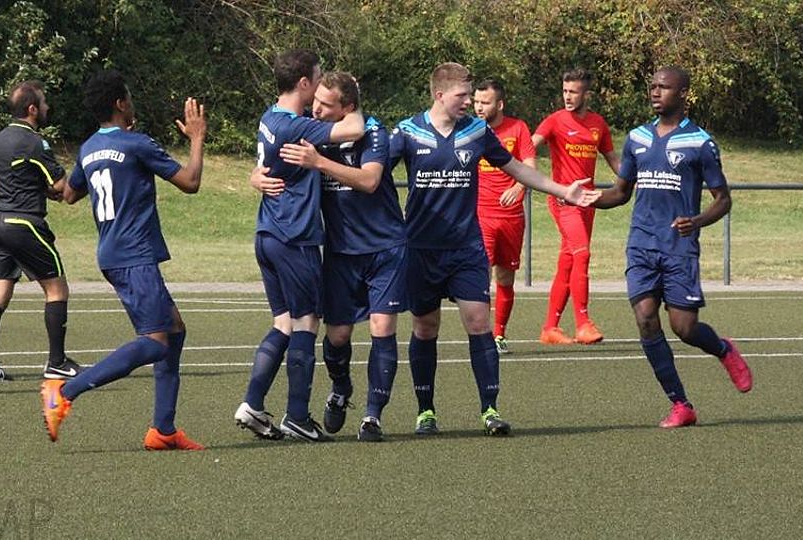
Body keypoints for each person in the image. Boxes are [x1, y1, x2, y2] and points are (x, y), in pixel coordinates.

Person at [391, 62, 600, 436]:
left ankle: (490, 409)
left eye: (471, 95)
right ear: (440, 94)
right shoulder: (407, 131)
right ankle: (426, 411)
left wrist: (562, 190)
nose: (469, 102)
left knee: (479, 322)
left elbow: (517, 168)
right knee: (425, 326)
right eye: (462, 95)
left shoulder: (476, 131)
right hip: (422, 249)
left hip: (466, 247)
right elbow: (374, 174)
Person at [40, 69, 206, 450]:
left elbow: (69, 194)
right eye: (128, 97)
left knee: (174, 332)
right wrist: (197, 138)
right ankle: (63, 391)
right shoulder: (137, 144)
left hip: (113, 253)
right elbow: (191, 182)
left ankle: (163, 431)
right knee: (155, 342)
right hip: (134, 255)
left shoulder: (88, 148)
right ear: (120, 104)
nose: (132, 102)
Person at [591, 66, 752, 428]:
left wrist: (696, 221)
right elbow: (621, 192)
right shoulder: (637, 138)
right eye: (652, 86)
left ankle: (723, 348)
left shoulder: (700, 142)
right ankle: (681, 404)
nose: (655, 92)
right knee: (646, 319)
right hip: (641, 245)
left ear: (682, 94)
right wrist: (586, 199)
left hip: (679, 248)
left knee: (684, 327)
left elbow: (723, 200)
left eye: (663, 87)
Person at [257, 71, 406, 442]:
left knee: (382, 326)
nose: (317, 109)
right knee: (337, 336)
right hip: (340, 251)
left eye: (326, 104)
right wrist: (255, 177)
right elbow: (270, 157)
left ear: (348, 108)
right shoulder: (314, 132)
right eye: (317, 101)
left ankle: (372, 417)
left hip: (385, 247)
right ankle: (341, 388)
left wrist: (319, 163)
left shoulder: (373, 132)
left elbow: (370, 181)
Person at [234, 50, 364, 443]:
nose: (322, 84)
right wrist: (351, 100)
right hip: (295, 236)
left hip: (268, 234)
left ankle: (252, 404)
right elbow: (355, 128)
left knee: (283, 323)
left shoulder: (270, 117)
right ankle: (297, 416)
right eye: (318, 78)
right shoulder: (297, 127)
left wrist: (254, 177)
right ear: (304, 83)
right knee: (307, 322)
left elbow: (265, 164)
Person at [0, 80, 80, 382]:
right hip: (24, 226)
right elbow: (60, 185)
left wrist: (44, 190)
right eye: (44, 103)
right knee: (57, 289)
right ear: (32, 109)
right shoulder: (34, 142)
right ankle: (57, 362)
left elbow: (21, 179)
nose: (48, 107)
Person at [533, 68, 621, 345]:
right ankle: (583, 324)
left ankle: (550, 328)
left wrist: (635, 181)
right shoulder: (555, 121)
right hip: (564, 201)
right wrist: (526, 178)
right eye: (565, 91)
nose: (568, 96)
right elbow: (529, 147)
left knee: (569, 260)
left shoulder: (598, 124)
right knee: (581, 253)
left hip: (588, 202)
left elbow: (613, 159)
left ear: (587, 94)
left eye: (573, 92)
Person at [473, 78, 537, 355]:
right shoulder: (471, 130)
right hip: (481, 215)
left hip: (511, 217)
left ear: (499, 104)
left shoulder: (518, 128)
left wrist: (518, 186)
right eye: (476, 102)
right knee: (481, 276)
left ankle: (499, 334)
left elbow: (530, 165)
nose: (478, 107)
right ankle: (482, 335)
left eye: (485, 102)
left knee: (505, 278)